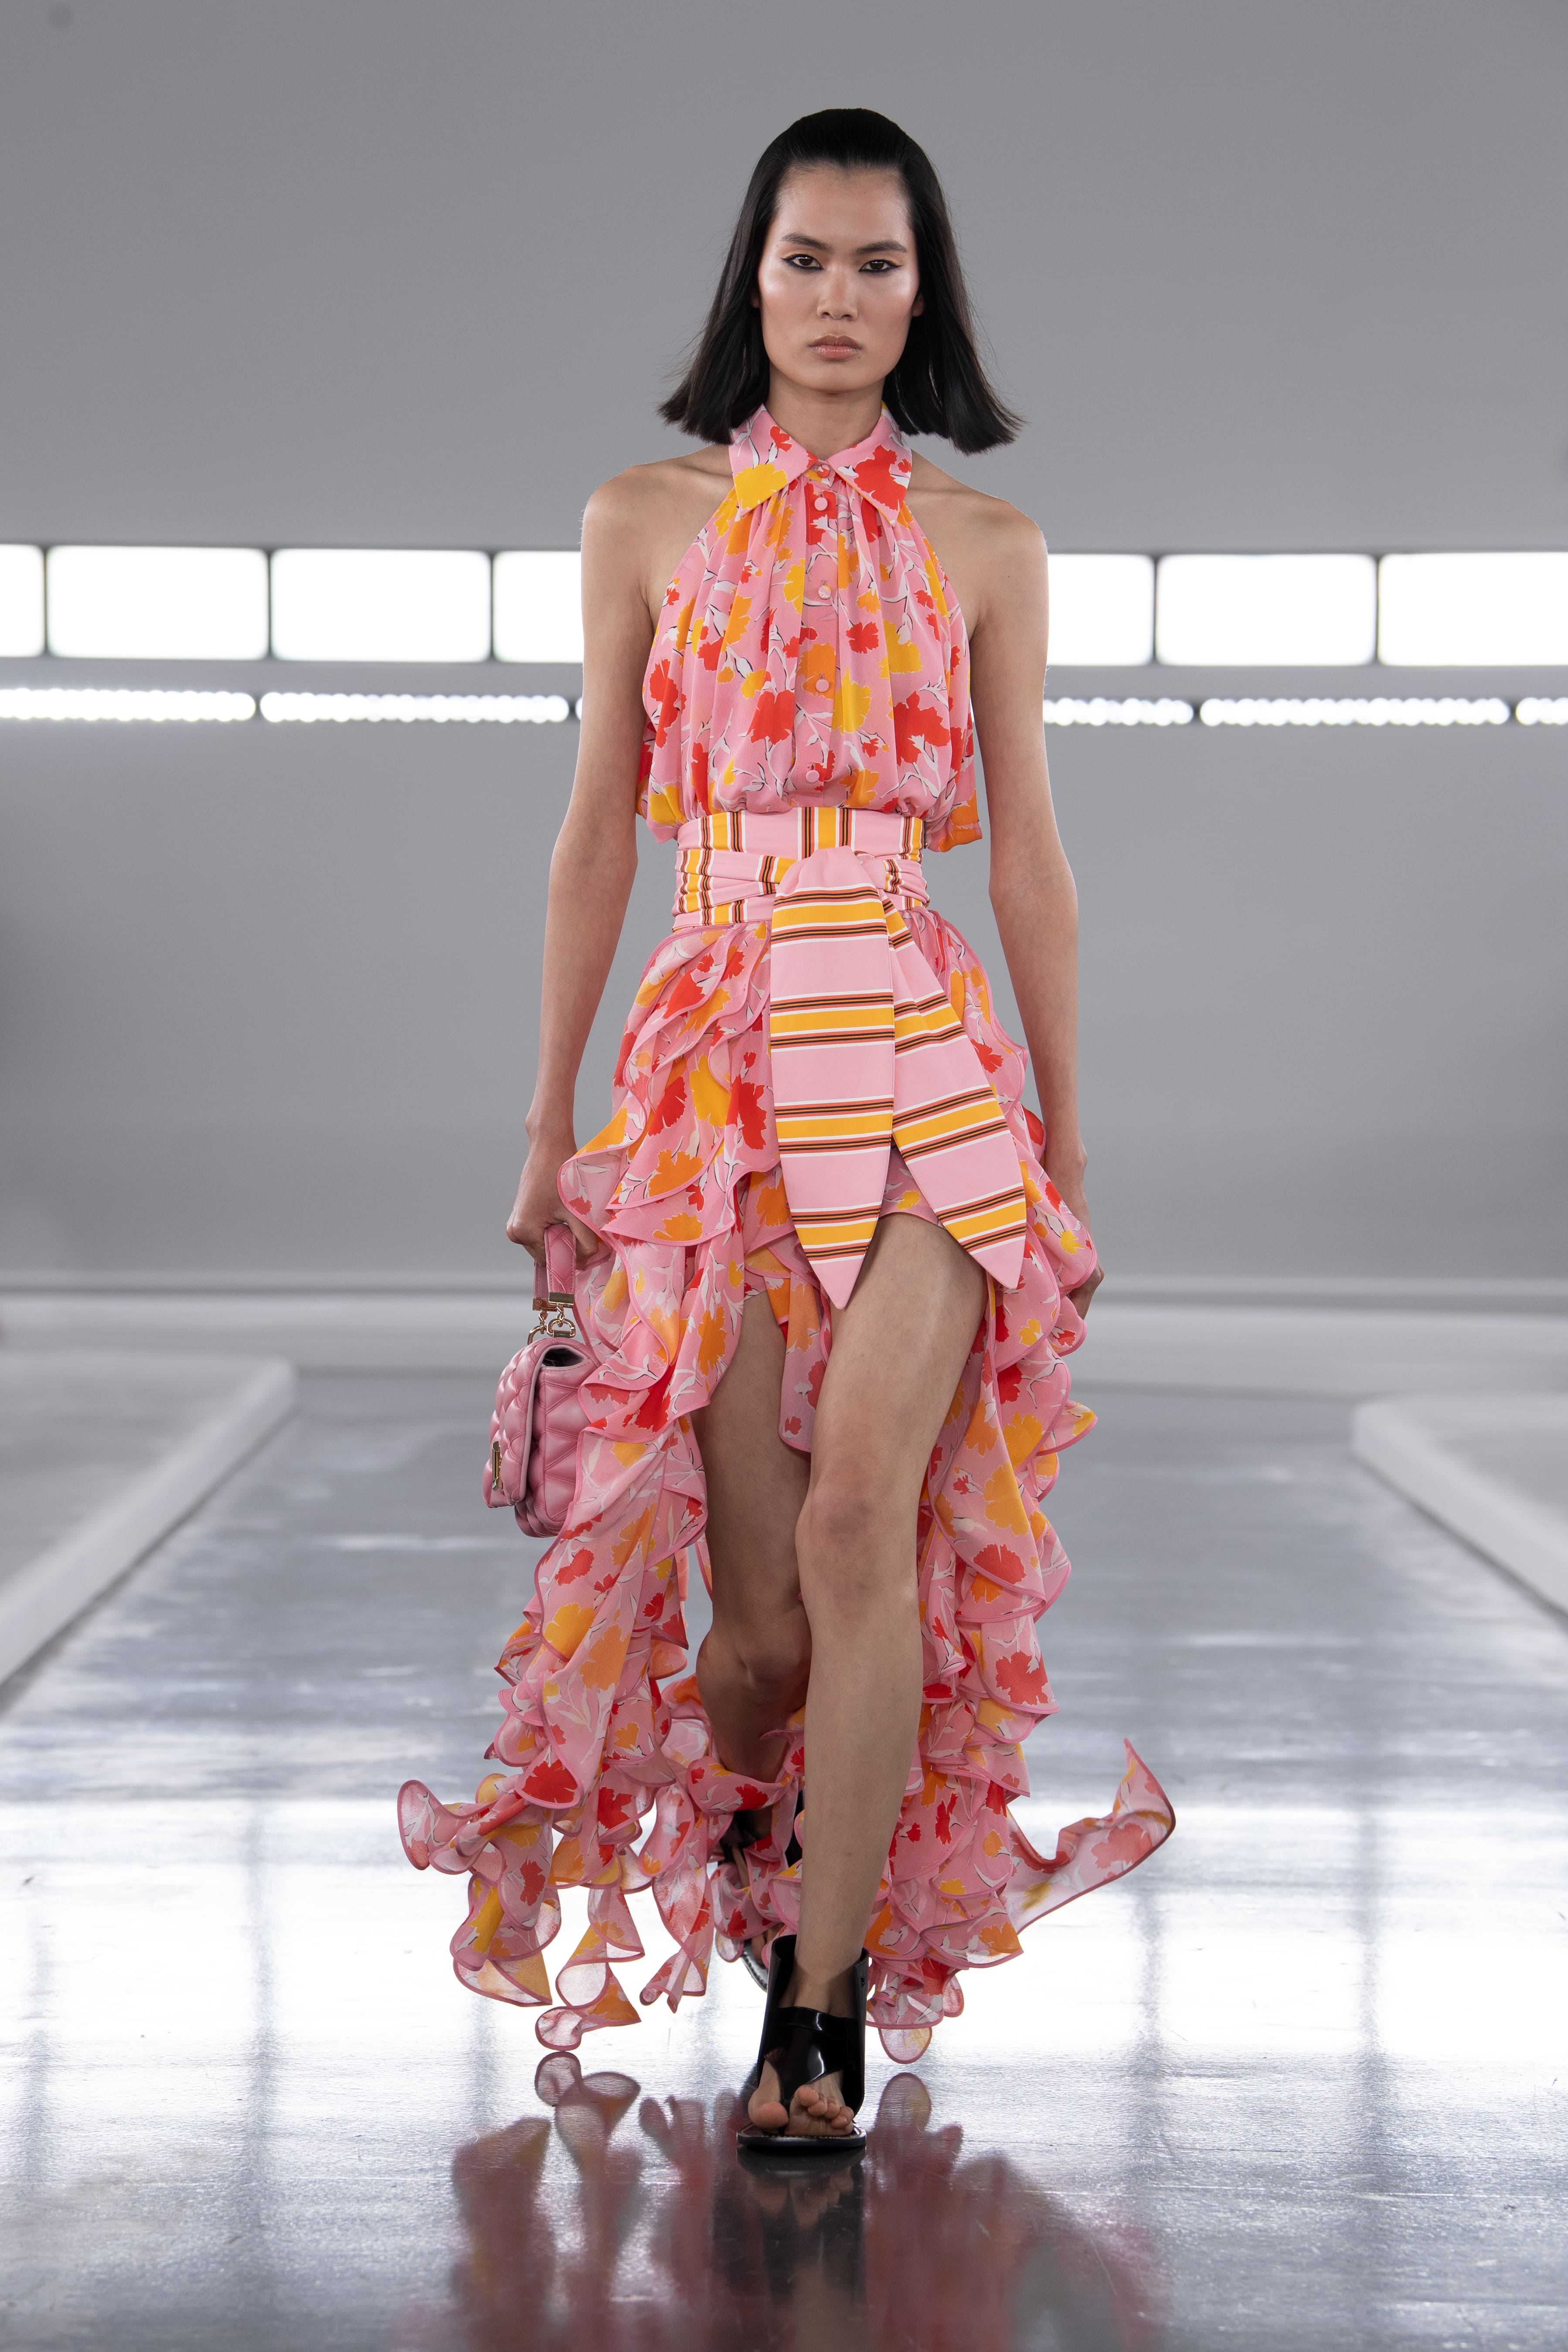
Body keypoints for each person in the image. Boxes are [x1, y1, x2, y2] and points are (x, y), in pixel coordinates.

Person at [398, 106, 1172, 2153]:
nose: (840, 297)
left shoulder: (988, 544)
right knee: (754, 1632)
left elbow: (1029, 853)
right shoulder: (641, 518)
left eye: (877, 264)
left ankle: (816, 2017)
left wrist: (1069, 1142)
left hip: (921, 1043)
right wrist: (548, 1125)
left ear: (926, 295)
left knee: (863, 1529)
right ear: (754, 277)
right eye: (807, 258)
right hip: (713, 1057)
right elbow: (594, 829)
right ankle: (774, 1863)